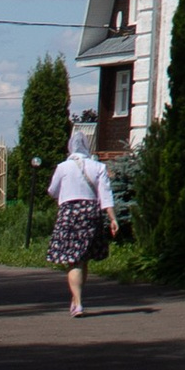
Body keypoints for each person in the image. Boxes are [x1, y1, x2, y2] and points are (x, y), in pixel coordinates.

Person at [47, 119, 118, 315]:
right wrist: (113, 218)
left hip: (69, 212)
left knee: (72, 259)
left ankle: (77, 301)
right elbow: (106, 195)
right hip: (90, 213)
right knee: (82, 258)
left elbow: (52, 191)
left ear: (70, 148)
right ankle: (76, 298)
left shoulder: (63, 167)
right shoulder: (98, 167)